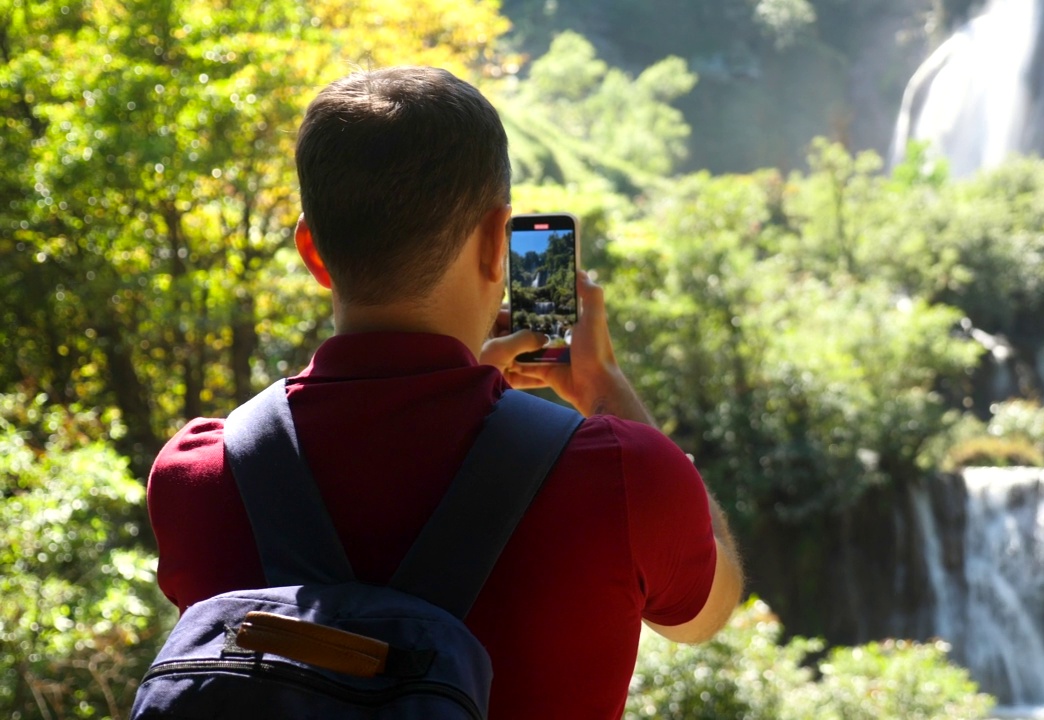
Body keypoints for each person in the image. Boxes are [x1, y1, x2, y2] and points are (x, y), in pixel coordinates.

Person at [146, 66, 743, 719]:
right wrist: (603, 391)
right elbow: (706, 613)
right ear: (498, 246)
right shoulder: (619, 474)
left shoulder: (198, 475)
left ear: (312, 252)